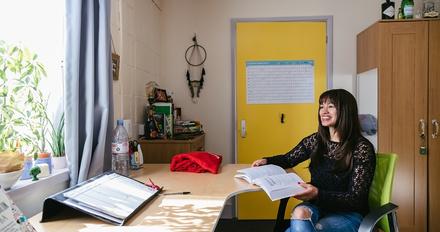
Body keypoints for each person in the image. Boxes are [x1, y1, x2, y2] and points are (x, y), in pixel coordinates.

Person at [252, 89, 375, 232]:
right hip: (316, 206)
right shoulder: (316, 140)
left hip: (347, 213)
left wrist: (317, 194)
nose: (324, 111)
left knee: (311, 228)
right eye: (321, 106)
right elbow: (288, 159)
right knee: (300, 213)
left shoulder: (361, 148)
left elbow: (356, 199)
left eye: (331, 106)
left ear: (346, 110)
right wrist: (266, 160)